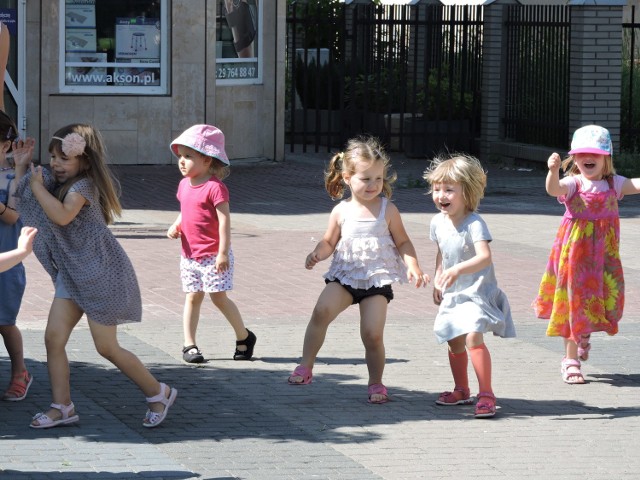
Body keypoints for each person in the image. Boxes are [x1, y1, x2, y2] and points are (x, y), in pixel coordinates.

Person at [14, 124, 177, 428]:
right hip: (71, 274)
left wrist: (36, 186)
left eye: (64, 159)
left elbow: (61, 215)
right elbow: (24, 194)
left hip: (101, 274)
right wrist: (22, 165)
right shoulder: (51, 182)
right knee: (53, 338)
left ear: (84, 161)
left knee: (106, 347)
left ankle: (158, 392)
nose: (55, 164)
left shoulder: (84, 187)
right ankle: (62, 407)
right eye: (52, 157)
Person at [287, 136, 430, 404]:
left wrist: (414, 266)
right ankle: (306, 366)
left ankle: (376, 383)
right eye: (365, 179)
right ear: (347, 177)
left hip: (376, 281)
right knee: (321, 311)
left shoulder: (388, 210)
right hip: (344, 277)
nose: (373, 185)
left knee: (372, 334)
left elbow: (403, 241)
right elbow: (329, 241)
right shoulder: (341, 211)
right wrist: (317, 253)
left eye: (378, 178)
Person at [533, 125, 640, 384]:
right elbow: (554, 190)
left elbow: (636, 184)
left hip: (603, 258)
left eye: (595, 154)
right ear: (575, 159)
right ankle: (570, 360)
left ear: (607, 158)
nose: (587, 159)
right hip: (575, 257)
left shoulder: (614, 184)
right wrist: (552, 171)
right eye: (581, 155)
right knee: (573, 301)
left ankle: (584, 334)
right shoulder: (574, 183)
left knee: (600, 299)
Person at [423, 154, 515, 418]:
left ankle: (486, 394)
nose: (441, 195)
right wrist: (439, 277)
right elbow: (442, 252)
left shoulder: (475, 223)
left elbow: (484, 257)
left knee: (474, 335)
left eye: (449, 189)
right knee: (454, 340)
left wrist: (456, 270)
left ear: (468, 192)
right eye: (437, 189)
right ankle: (461, 389)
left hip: (476, 292)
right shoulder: (437, 223)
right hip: (453, 291)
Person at [167, 124, 256, 364]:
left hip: (212, 255)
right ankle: (189, 345)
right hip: (189, 255)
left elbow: (224, 221)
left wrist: (223, 253)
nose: (182, 161)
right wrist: (177, 225)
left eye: (189, 156)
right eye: (180, 156)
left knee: (218, 297)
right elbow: (185, 211)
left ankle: (244, 336)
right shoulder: (185, 184)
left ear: (207, 161)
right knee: (193, 297)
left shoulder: (215, 188)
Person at [0, 111, 36, 402]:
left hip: (7, 262)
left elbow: (14, 217)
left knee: (4, 322)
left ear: (5, 146)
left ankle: (20, 372)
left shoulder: (12, 177)